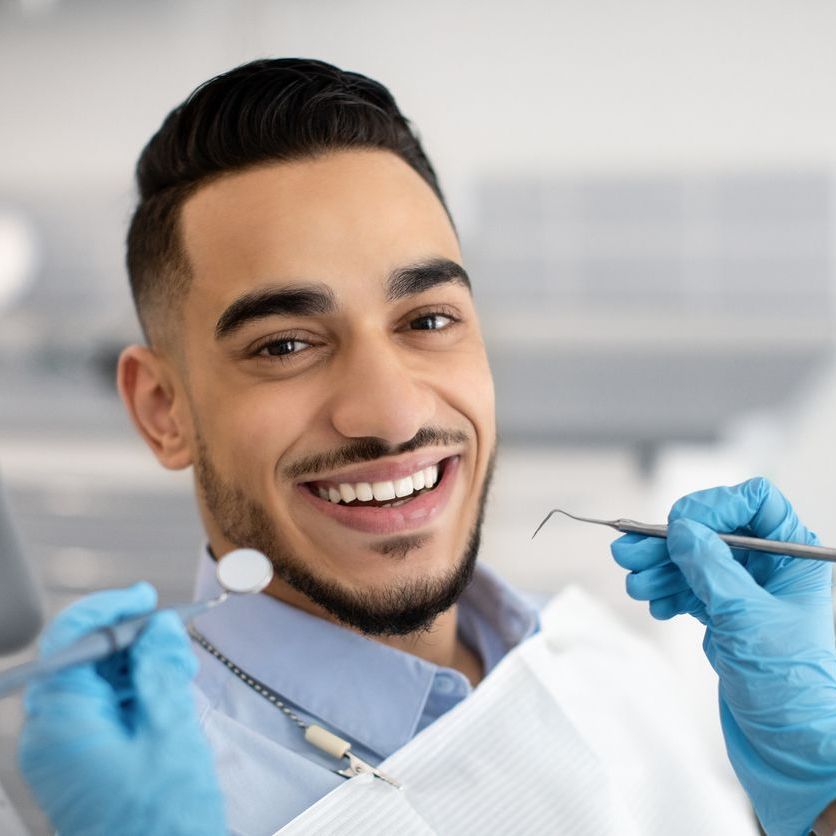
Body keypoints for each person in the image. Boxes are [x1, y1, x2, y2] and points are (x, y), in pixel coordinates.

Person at [15, 58, 836, 835]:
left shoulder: (609, 662)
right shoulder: (113, 796)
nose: (393, 413)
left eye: (429, 320)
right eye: (285, 345)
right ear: (164, 410)